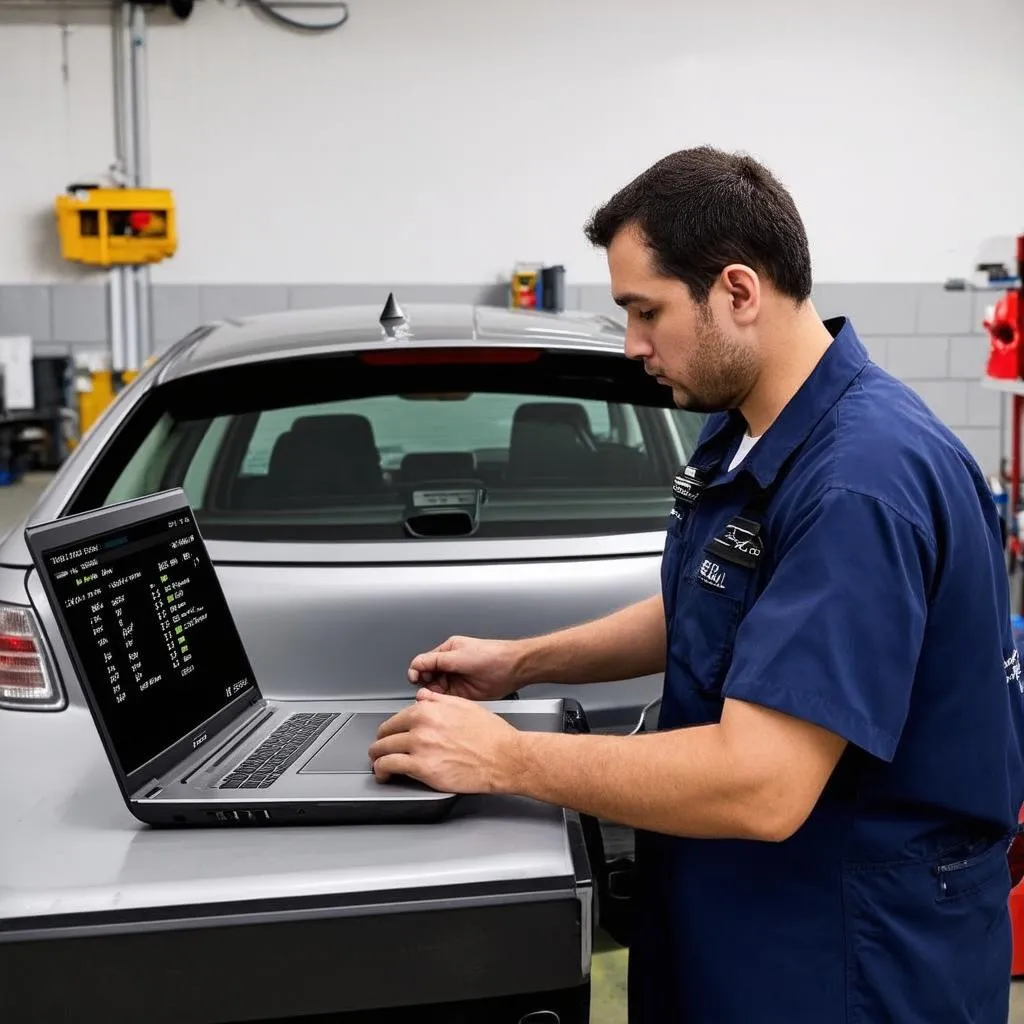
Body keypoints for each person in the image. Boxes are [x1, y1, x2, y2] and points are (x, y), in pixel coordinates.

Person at [368, 146, 1024, 1022]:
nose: (633, 343)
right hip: (747, 920)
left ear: (738, 292)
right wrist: (524, 661)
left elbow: (761, 783)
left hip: (846, 957)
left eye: (647, 311)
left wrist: (508, 756)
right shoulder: (752, 425)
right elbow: (711, 606)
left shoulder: (858, 485)